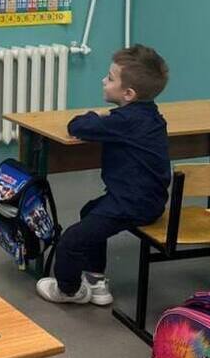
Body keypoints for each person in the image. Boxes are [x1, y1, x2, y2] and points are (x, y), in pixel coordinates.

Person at [36, 45, 171, 305]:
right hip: (152, 201)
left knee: (70, 241)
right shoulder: (152, 116)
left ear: (128, 94)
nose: (103, 80)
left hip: (128, 204)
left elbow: (77, 126)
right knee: (90, 210)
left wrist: (94, 114)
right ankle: (96, 281)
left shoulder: (123, 121)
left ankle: (69, 290)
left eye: (110, 78)